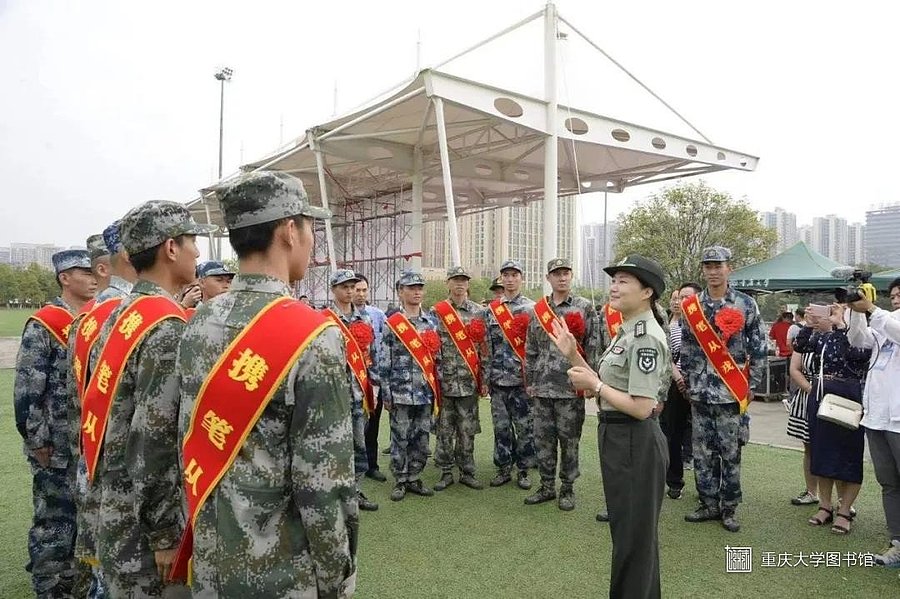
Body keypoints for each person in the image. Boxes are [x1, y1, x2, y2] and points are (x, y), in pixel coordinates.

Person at [174, 171, 358, 596]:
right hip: (281, 572)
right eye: (310, 228)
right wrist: (336, 577)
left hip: (211, 561)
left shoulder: (199, 320)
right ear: (290, 231)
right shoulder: (314, 335)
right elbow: (323, 481)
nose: (313, 241)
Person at [84, 201, 214, 596]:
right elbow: (154, 438)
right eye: (192, 242)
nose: (197, 253)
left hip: (114, 504)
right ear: (171, 248)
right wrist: (164, 533)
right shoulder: (166, 327)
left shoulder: (119, 314)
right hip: (143, 527)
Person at [550, 254, 670, 599]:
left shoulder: (645, 337)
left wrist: (597, 385)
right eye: (613, 280)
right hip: (618, 437)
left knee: (634, 540)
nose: (614, 287)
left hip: (634, 439)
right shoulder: (627, 331)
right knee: (628, 534)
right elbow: (603, 382)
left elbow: (642, 407)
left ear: (647, 292)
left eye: (623, 281)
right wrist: (573, 355)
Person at [14, 249, 96, 598]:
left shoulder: (93, 319)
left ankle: (76, 583)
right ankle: (49, 585)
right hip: (55, 446)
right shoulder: (44, 324)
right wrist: (37, 440)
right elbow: (27, 390)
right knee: (54, 522)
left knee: (81, 519)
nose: (93, 278)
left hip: (84, 443)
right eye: (84, 272)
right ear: (65, 278)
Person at [69, 221, 137, 599]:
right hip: (122, 466)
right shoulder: (132, 315)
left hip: (93, 452)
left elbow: (75, 394)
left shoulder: (89, 314)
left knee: (101, 568)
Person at [680, 246, 766, 533]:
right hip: (700, 392)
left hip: (731, 391)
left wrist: (752, 385)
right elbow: (687, 348)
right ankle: (708, 503)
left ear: (730, 268)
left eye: (719, 266)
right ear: (703, 270)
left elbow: (758, 347)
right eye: (708, 266)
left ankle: (729, 507)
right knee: (702, 452)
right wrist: (688, 382)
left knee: (730, 452)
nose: (713, 271)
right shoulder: (692, 306)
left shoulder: (745, 304)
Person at [523, 258, 599, 510]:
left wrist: (591, 381)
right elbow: (531, 349)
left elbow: (592, 346)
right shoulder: (538, 310)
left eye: (566, 273)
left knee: (570, 441)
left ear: (571, 275)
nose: (562, 277)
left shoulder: (584, 307)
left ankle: (567, 488)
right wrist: (530, 381)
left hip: (570, 388)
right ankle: (546, 486)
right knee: (543, 440)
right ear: (548, 278)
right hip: (542, 388)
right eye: (557, 274)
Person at [793, 303, 870, 535]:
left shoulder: (863, 337)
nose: (834, 314)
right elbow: (800, 345)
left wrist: (841, 328)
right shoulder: (823, 337)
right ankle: (825, 506)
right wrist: (808, 325)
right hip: (821, 397)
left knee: (849, 455)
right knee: (821, 453)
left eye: (841, 311)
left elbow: (854, 356)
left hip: (849, 398)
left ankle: (845, 510)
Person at [847, 278, 900, 565]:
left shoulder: (887, 321)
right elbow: (858, 339)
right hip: (878, 418)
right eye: (892, 295)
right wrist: (855, 311)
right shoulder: (884, 321)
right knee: (889, 483)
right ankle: (897, 541)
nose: (895, 299)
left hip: (898, 420)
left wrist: (871, 309)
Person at [378, 271, 442, 501]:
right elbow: (384, 361)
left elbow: (437, 359)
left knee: (422, 439)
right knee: (400, 438)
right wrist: (386, 393)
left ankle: (415, 477)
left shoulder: (431, 323)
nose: (417, 292)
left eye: (419, 288)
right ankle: (400, 479)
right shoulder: (393, 324)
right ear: (400, 292)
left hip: (425, 392)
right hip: (400, 392)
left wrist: (437, 390)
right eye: (411, 288)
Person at [325, 268, 379, 511]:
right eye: (344, 287)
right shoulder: (324, 319)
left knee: (358, 447)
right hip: (333, 396)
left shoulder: (364, 320)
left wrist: (374, 387)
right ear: (333, 289)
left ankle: (355, 492)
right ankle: (334, 495)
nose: (349, 291)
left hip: (359, 395)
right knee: (334, 447)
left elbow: (371, 356)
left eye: (352, 287)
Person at [481, 259, 536, 489]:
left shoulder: (532, 309)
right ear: (501, 279)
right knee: (501, 427)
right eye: (506, 275)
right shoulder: (491, 311)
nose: (510, 279)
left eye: (514, 275)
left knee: (524, 427)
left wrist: (533, 379)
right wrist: (485, 379)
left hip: (522, 381)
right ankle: (503, 468)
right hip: (498, 380)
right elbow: (486, 347)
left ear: (521, 278)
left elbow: (536, 347)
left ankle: (524, 470)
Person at [431, 266, 486, 491]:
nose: (460, 284)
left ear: (468, 284)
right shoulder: (437, 312)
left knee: (467, 429)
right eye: (455, 280)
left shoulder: (479, 312)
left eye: (463, 280)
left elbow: (484, 348)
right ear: (448, 283)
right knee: (444, 430)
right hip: (445, 382)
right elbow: (430, 347)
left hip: (468, 381)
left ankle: (467, 471)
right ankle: (445, 472)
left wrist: (484, 379)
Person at [660, 282, 701, 500]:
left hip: (701, 385)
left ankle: (706, 487)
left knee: (701, 436)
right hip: (675, 385)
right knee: (672, 434)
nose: (680, 301)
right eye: (677, 297)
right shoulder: (668, 325)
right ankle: (674, 481)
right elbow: (666, 356)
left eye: (685, 297)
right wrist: (678, 378)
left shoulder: (704, 324)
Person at [355, 274, 390, 482]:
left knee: (373, 425)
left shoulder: (377, 315)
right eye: (356, 290)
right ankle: (351, 469)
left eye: (363, 290)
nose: (360, 294)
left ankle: (371, 465)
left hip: (373, 379)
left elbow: (383, 347)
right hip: (352, 380)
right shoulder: (337, 318)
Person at [785, 311, 819, 507]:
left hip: (834, 396)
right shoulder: (805, 336)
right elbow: (794, 368)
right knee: (809, 447)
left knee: (835, 448)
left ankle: (842, 499)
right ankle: (812, 491)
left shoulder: (841, 334)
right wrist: (811, 389)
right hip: (807, 395)